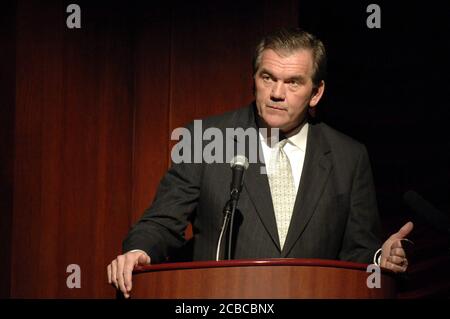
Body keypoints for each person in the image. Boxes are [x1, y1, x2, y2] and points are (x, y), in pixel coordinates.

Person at [107, 28, 413, 298]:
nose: (277, 93)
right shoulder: (205, 139)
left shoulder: (349, 156)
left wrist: (379, 259)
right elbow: (162, 221)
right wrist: (139, 252)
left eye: (293, 82)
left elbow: (357, 249)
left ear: (316, 92)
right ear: (254, 79)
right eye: (268, 78)